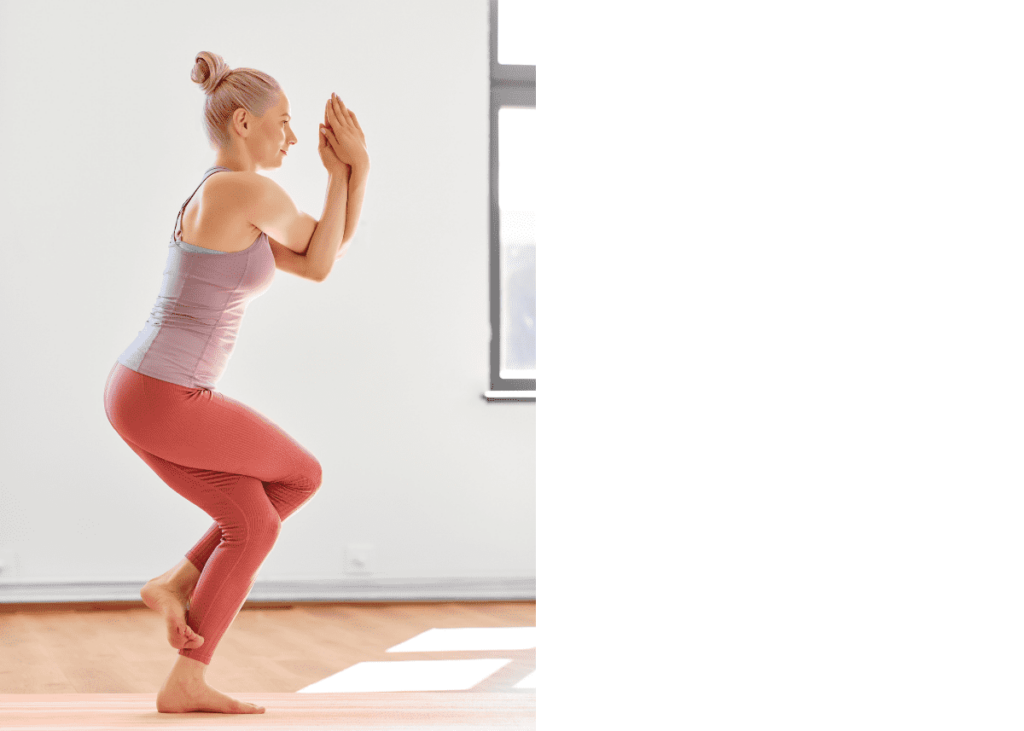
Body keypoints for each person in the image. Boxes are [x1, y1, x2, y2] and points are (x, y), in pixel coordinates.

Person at [102, 51, 370, 715]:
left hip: (145, 390)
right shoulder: (243, 190)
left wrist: (352, 175)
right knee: (300, 476)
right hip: (166, 393)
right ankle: (182, 591)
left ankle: (184, 661)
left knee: (250, 520)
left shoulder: (225, 191)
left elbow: (318, 257)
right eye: (282, 122)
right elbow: (321, 259)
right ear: (244, 122)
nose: (291, 135)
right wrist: (347, 170)